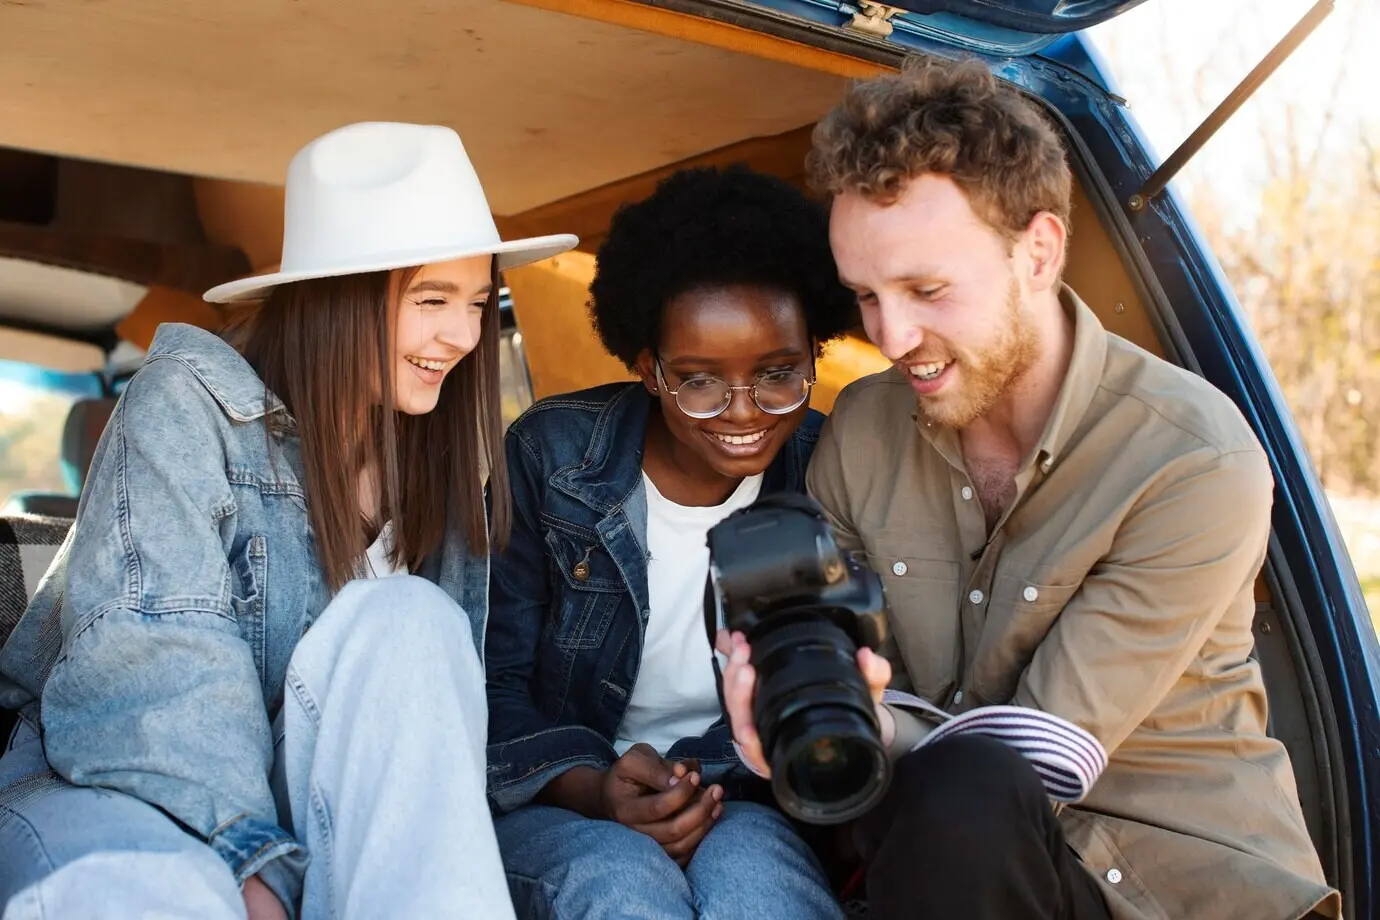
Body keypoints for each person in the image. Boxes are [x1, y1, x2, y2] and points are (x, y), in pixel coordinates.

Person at [719, 58, 1341, 920]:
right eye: (865, 295)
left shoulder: (1192, 457)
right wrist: (791, 706)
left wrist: (866, 723)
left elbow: (1043, 754)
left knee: (964, 789)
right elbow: (839, 653)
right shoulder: (861, 429)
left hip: (1177, 891)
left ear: (1038, 252)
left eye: (926, 289)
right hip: (953, 872)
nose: (893, 335)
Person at [0, 121, 577, 920]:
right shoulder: (186, 405)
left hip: (302, 800)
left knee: (412, 616)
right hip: (112, 782)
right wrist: (253, 864)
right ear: (338, 298)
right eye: (432, 300)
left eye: (479, 303)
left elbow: (420, 737)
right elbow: (156, 661)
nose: (465, 335)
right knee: (165, 894)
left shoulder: (433, 466)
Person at [484, 165, 856, 919]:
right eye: (700, 381)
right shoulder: (551, 458)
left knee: (762, 889)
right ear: (647, 368)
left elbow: (843, 673)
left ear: (815, 352)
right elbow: (491, 682)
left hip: (746, 791)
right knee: (620, 885)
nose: (744, 411)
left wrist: (693, 781)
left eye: (779, 374)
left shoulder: (832, 472)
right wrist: (596, 788)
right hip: (560, 798)